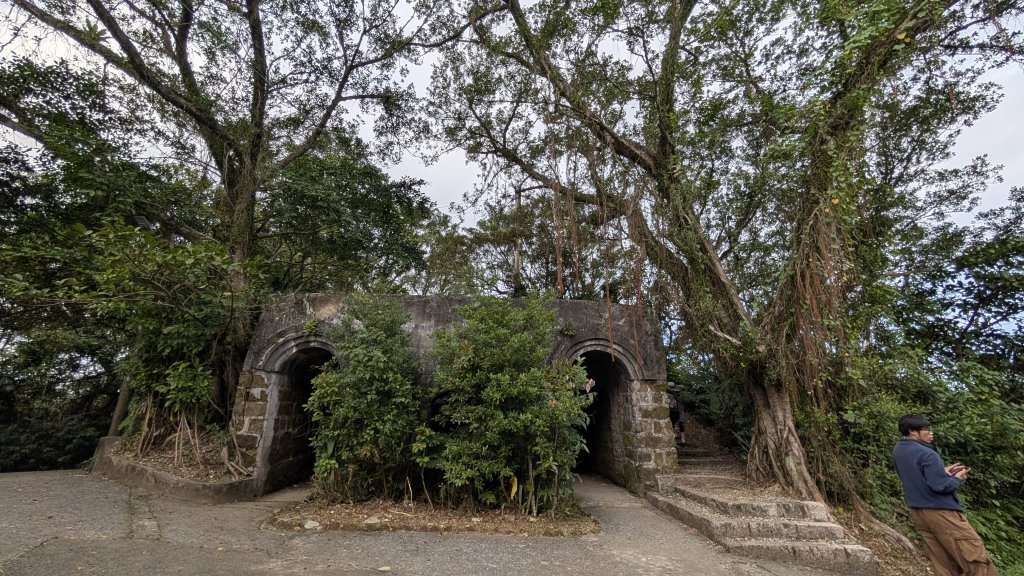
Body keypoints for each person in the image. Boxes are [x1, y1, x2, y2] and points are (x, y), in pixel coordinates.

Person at [892, 414, 998, 576]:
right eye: (926, 429)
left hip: (919, 513)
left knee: (943, 565)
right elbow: (940, 486)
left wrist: (943, 471)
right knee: (976, 559)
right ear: (913, 431)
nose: (931, 433)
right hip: (942, 513)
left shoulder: (899, 450)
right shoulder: (928, 454)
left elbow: (917, 476)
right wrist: (957, 478)